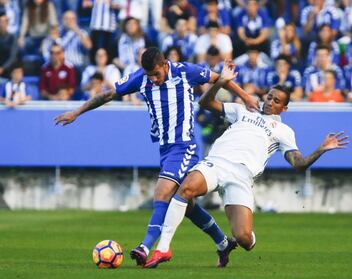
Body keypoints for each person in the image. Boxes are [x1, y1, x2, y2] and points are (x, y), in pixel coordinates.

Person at [54, 47, 259, 267]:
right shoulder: (141, 78)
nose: (153, 79)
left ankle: (145, 246)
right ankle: (222, 242)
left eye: (156, 74)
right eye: (149, 75)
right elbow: (108, 94)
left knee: (162, 192)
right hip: (165, 149)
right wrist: (77, 112)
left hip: (184, 146)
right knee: (185, 204)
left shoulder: (184, 71)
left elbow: (221, 79)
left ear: (164, 64)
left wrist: (246, 97)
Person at [143, 61, 349, 268]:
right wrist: (220, 82)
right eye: (269, 97)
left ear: (284, 108)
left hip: (242, 177)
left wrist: (320, 150)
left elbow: (298, 164)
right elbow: (206, 103)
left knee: (243, 239)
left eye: (276, 101)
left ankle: (229, 244)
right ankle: (163, 248)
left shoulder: (284, 131)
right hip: (217, 163)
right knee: (185, 189)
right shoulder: (245, 110)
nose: (270, 102)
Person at [0, 10, 18, 80]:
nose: (1, 24)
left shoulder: (12, 38)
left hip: (8, 72)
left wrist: (2, 68)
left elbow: (13, 57)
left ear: (7, 23)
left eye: (3, 22)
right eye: (0, 22)